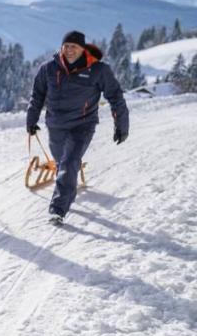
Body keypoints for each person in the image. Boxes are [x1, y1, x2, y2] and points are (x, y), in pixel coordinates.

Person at [26, 30, 129, 224]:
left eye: (74, 47)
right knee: (61, 163)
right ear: (61, 47)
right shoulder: (48, 68)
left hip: (82, 125)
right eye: (66, 46)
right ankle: (67, 184)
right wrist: (31, 120)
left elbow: (116, 97)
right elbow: (37, 95)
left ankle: (58, 209)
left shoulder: (98, 70)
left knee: (69, 162)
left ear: (83, 49)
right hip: (55, 124)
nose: (69, 50)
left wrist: (121, 125)